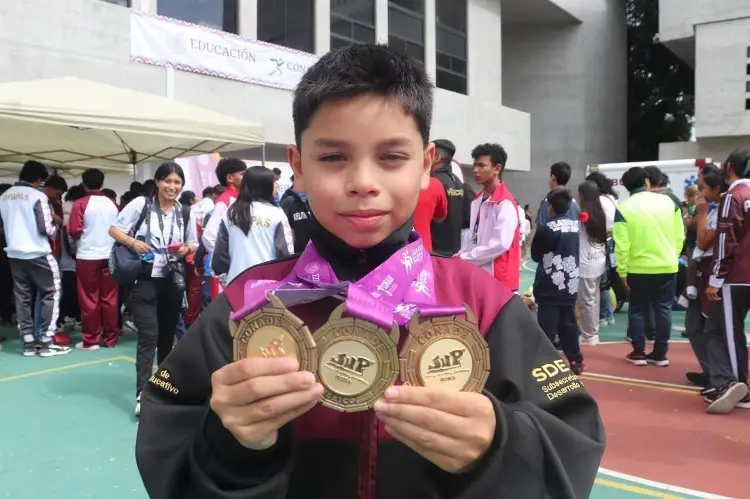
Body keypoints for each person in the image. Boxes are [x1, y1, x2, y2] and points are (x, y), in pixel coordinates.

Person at [135, 43, 604, 499]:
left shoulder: (481, 302)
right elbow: (167, 435)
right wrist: (228, 443)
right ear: (297, 167)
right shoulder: (246, 303)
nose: (362, 183)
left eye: (392, 157)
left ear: (426, 166)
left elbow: (573, 436)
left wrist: (500, 443)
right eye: (333, 157)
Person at [109, 161, 199, 417]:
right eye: (167, 181)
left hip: (171, 277)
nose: (172, 186)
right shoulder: (141, 205)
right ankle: (142, 394)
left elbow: (193, 243)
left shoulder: (184, 212)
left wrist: (185, 249)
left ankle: (163, 387)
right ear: (158, 183)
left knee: (166, 337)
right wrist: (133, 242)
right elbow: (114, 229)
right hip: (143, 278)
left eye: (177, 182)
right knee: (148, 335)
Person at [614, 167, 684, 367]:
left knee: (637, 309)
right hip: (668, 265)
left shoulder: (624, 208)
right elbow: (680, 235)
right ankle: (660, 353)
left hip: (638, 267)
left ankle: (638, 352)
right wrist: (673, 254)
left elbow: (622, 246)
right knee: (664, 309)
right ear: (646, 181)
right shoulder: (670, 202)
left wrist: (622, 272)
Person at [0, 160, 70, 357]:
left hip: (14, 252)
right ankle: (46, 340)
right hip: (37, 252)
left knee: (22, 296)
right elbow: (45, 228)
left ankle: (28, 342)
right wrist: (56, 228)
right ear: (39, 179)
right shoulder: (37, 196)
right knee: (52, 292)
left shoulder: (5, 196)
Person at [703, 148, 750, 414]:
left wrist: (716, 279)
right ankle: (726, 380)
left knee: (731, 333)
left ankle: (736, 386)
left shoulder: (734, 196)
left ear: (729, 167)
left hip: (738, 276)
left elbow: (725, 240)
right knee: (716, 329)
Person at [531, 189, 584, 373]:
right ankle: (575, 360)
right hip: (570, 282)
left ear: (549, 206)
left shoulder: (547, 228)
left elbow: (536, 255)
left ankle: (543, 363)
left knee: (547, 325)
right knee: (568, 323)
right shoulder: (576, 226)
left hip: (549, 283)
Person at [212, 165, 294, 283]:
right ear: (264, 186)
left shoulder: (230, 212)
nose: (276, 185)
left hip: (236, 285)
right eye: (273, 182)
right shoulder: (277, 214)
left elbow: (219, 258)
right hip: (267, 288)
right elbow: (285, 255)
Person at [67, 168, 120, 350]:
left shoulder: (80, 203)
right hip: (110, 254)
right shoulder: (112, 204)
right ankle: (111, 338)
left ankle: (91, 340)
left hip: (88, 255)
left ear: (84, 183)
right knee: (110, 298)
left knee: (89, 298)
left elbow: (74, 230)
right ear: (103, 183)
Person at [458, 143, 521, 291]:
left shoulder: (505, 202)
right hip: (481, 274)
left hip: (498, 279)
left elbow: (500, 244)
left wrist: (465, 258)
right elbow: (474, 238)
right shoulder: (478, 200)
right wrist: (462, 254)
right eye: (474, 165)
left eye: (481, 165)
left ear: (497, 169)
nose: (475, 170)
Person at [682, 164, 721, 389]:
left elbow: (703, 241)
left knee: (711, 328)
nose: (699, 191)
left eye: (702, 185)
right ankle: (711, 372)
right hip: (700, 271)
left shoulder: (722, 207)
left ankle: (722, 377)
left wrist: (703, 212)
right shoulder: (711, 208)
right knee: (694, 325)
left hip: (713, 274)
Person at [576, 181, 607, 346]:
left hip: (586, 262)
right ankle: (593, 332)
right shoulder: (600, 212)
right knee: (593, 298)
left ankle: (589, 335)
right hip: (597, 260)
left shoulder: (584, 215)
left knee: (587, 300)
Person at [586, 171, 619, 325]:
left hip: (600, 241)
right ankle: (607, 314)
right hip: (611, 240)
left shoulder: (598, 201)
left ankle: (604, 314)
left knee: (599, 280)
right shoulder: (612, 199)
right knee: (604, 280)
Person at [429, 139, 464, 257]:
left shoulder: (432, 182)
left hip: (435, 251)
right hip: (454, 251)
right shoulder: (458, 182)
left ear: (436, 158)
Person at [537, 161, 580, 226]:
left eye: (550, 176)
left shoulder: (548, 202)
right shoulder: (575, 203)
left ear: (553, 178)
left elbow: (541, 228)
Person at [412, 175, 447, 252]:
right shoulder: (435, 184)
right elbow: (440, 217)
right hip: (423, 248)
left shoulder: (390, 181)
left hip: (393, 251)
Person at [280, 175, 313, 253]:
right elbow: (285, 228)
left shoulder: (313, 199)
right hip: (296, 253)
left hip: (312, 251)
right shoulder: (288, 200)